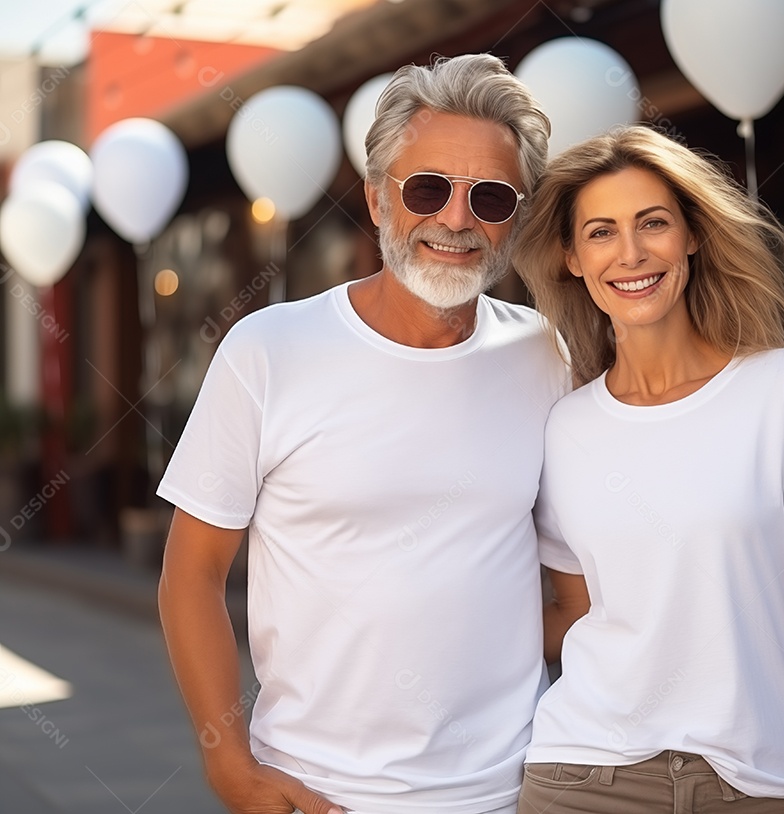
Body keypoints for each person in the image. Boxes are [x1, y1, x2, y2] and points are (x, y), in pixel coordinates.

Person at [157, 54, 567, 814]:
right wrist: (229, 767)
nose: (455, 219)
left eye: (490, 197)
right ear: (379, 200)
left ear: (517, 217)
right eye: (426, 188)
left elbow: (580, 595)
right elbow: (190, 576)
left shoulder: (549, 356)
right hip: (317, 793)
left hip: (512, 794)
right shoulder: (267, 350)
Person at [512, 125, 784, 814]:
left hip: (751, 784)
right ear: (570, 258)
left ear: (693, 236)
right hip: (582, 776)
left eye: (653, 223)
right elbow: (578, 612)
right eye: (600, 232)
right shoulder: (564, 427)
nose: (631, 253)